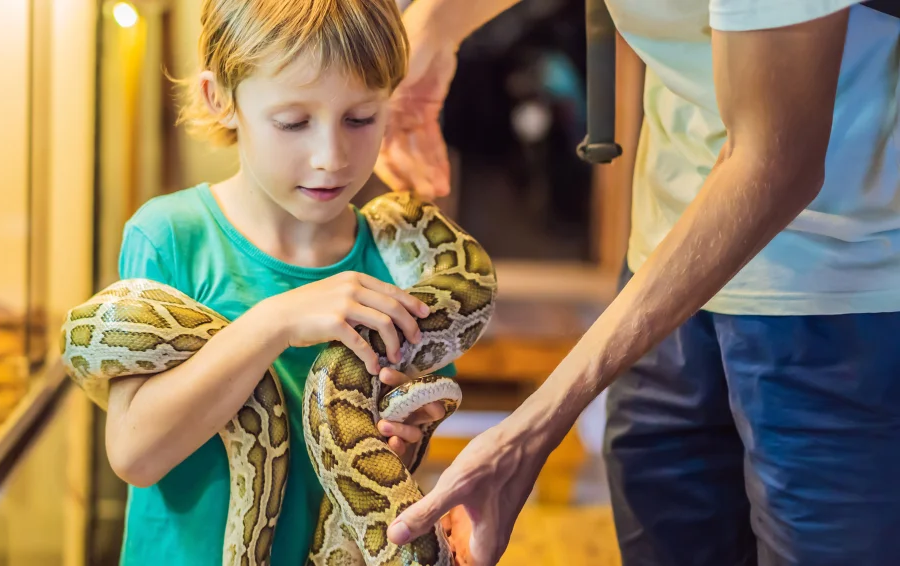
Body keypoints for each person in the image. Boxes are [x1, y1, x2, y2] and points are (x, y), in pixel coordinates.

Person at [378, 1, 900, 565]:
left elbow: (775, 164)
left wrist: (533, 428)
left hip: (840, 288)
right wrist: (438, 25)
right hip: (665, 253)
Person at [101, 0, 454, 564]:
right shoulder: (171, 238)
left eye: (361, 118)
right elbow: (135, 454)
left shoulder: (405, 273)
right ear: (222, 99)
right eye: (293, 122)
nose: (330, 157)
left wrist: (399, 450)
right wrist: (276, 321)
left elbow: (391, 469)